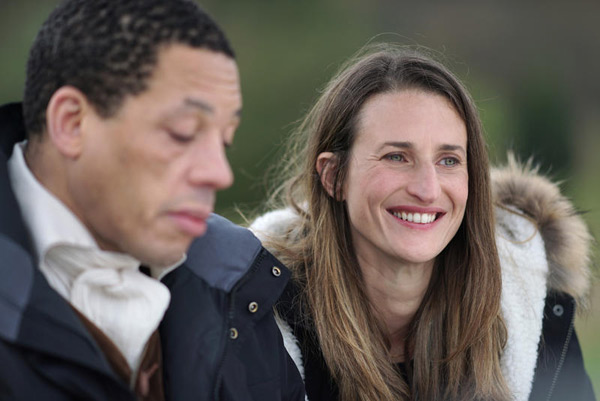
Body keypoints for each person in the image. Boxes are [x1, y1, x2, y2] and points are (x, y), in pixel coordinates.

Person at [250, 45, 595, 401]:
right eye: (397, 157)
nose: (427, 190)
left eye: (448, 160)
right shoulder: (256, 320)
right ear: (334, 177)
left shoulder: (535, 316)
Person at [0, 0, 304, 400]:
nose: (220, 172)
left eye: (224, 140)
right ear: (72, 123)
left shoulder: (241, 291)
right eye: (182, 133)